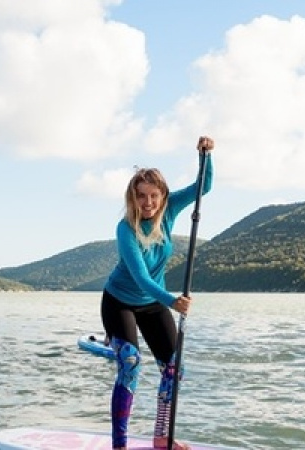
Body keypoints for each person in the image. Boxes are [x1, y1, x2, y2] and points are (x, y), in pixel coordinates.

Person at [101, 136, 214, 450]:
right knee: (131, 363)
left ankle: (161, 436)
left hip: (152, 304)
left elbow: (202, 188)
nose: (148, 203)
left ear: (163, 196)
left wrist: (205, 156)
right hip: (119, 301)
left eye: (153, 196)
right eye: (141, 197)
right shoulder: (125, 229)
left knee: (174, 369)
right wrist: (173, 301)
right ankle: (119, 445)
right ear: (132, 199)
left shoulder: (171, 210)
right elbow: (138, 277)